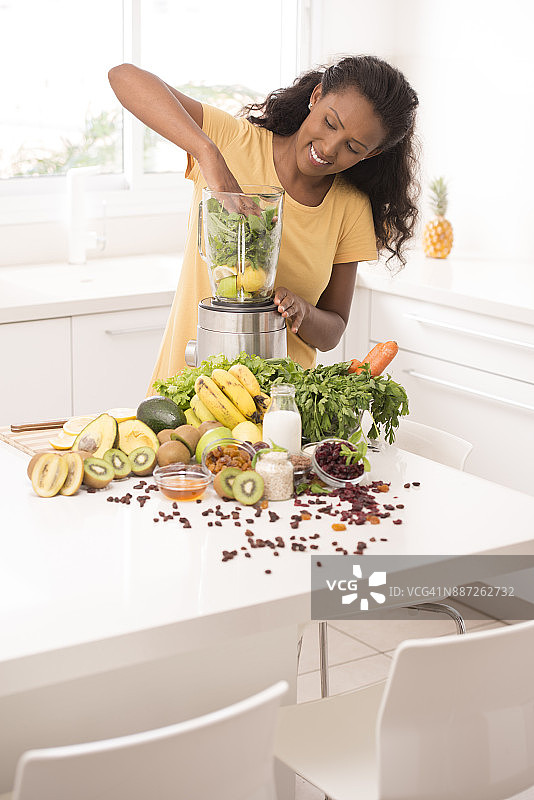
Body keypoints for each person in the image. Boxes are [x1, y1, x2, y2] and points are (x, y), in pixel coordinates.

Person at [108, 55, 419, 386]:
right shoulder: (233, 142)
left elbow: (332, 332)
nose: (329, 149)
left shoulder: (350, 207)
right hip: (187, 393)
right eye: (330, 123)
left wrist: (304, 311)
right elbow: (123, 76)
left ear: (369, 154)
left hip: (279, 411)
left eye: (353, 147)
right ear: (316, 98)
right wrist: (209, 155)